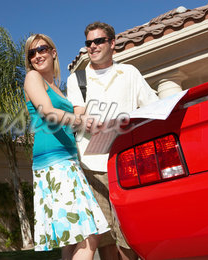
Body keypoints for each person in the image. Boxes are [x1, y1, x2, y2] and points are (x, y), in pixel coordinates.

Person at [67, 22, 159, 260]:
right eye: (89, 43)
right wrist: (85, 121)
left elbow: (152, 107)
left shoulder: (130, 73)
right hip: (91, 166)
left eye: (98, 41)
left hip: (126, 162)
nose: (93, 46)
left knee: (129, 234)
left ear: (112, 43)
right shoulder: (76, 79)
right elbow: (78, 115)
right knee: (105, 236)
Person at [23, 33, 110, 260]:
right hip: (54, 163)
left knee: (73, 241)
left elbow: (69, 119)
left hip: (69, 161)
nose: (37, 55)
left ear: (53, 52)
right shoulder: (33, 78)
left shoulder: (57, 88)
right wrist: (82, 121)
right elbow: (49, 113)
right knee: (89, 234)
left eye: (42, 49)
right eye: (32, 52)